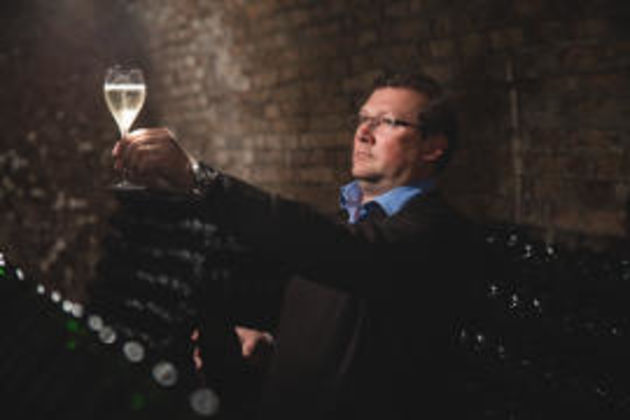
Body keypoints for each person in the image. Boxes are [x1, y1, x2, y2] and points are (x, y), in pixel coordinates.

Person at [113, 70, 484, 419]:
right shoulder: (349, 221)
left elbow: (337, 251)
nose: (364, 133)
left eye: (387, 122)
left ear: (433, 147)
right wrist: (274, 343)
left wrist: (202, 180)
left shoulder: (435, 233)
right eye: (363, 118)